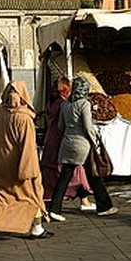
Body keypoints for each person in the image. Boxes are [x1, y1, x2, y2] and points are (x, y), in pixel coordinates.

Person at [0, 81, 53, 246]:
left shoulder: (2, 115)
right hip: (20, 165)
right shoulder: (24, 119)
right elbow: (28, 147)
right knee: (32, 194)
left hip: (1, 164)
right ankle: (37, 227)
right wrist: (29, 170)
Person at [50, 76, 118, 219]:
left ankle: (54, 209)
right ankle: (104, 206)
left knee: (64, 177)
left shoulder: (65, 105)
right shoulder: (84, 104)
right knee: (94, 176)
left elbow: (60, 126)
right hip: (82, 145)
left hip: (67, 144)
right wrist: (96, 142)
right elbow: (88, 127)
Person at [41, 76, 94, 212]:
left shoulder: (51, 102)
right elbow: (65, 125)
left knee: (57, 170)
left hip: (51, 138)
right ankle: (82, 199)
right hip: (63, 139)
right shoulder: (66, 104)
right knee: (74, 171)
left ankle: (52, 200)